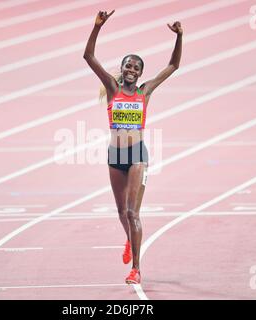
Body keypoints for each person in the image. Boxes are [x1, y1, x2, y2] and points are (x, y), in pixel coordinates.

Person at [83, 10, 182, 284]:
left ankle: (136, 269)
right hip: (115, 154)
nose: (131, 70)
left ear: (140, 74)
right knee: (119, 212)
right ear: (122, 68)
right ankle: (130, 240)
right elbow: (89, 57)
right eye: (128, 65)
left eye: (136, 68)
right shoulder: (113, 89)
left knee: (132, 212)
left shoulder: (145, 92)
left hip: (138, 154)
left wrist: (179, 37)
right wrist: (97, 27)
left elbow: (173, 66)